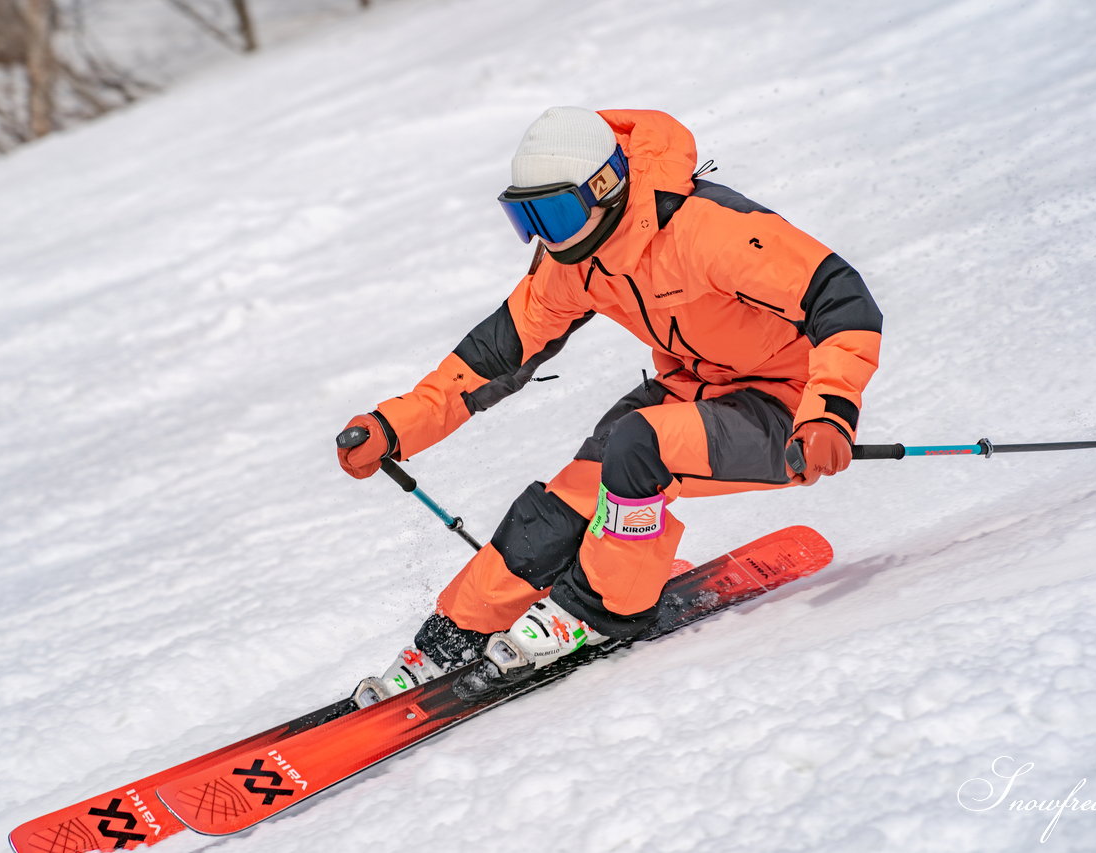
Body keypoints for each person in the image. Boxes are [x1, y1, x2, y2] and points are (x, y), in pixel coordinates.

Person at [337, 106, 881, 705]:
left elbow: (841, 297)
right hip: (691, 391)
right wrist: (393, 427)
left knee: (636, 445)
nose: (545, 234)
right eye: (526, 217)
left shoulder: (706, 228)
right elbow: (493, 356)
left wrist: (830, 409)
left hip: (787, 412)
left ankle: (600, 610)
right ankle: (449, 641)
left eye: (555, 211)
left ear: (606, 186)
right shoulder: (575, 261)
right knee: (567, 497)